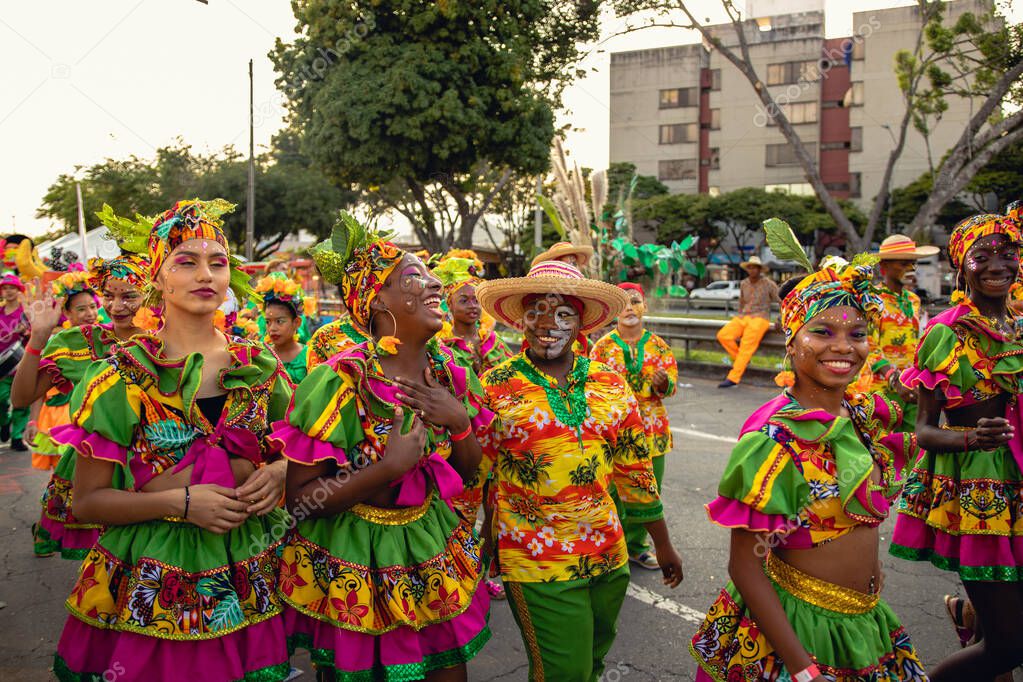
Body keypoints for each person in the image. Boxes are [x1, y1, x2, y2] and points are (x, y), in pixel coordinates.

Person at [50, 199, 293, 681]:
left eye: (217, 263)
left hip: (249, 562)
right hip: (154, 571)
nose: (206, 275)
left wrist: (280, 472)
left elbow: (293, 449)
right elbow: (89, 502)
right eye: (186, 262)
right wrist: (181, 504)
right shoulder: (121, 375)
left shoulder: (261, 366)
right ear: (157, 279)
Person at [690, 225, 926, 682]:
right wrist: (800, 668)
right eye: (823, 331)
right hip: (792, 625)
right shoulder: (774, 436)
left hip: (862, 619)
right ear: (792, 337)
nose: (842, 346)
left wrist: (871, 565)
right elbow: (744, 563)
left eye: (858, 333)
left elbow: (861, 508)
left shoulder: (861, 416)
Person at [271, 213, 492, 681]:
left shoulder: (450, 372)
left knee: (447, 671)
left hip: (428, 544)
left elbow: (471, 472)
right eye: (416, 278)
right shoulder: (341, 380)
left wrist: (458, 424)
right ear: (376, 302)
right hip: (356, 557)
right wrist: (385, 469)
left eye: (433, 277)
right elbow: (299, 501)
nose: (435, 284)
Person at [475, 260, 684, 682]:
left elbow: (635, 471)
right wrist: (476, 539)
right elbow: (477, 473)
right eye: (536, 312)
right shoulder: (495, 385)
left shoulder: (609, 383)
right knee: (561, 673)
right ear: (521, 321)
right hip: (534, 559)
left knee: (591, 664)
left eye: (563, 314)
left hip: (608, 554)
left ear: (582, 323)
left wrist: (662, 543)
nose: (548, 323)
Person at [891, 203, 1023, 681]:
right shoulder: (946, 332)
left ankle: (971, 618)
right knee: (1008, 647)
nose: (997, 264)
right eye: (981, 255)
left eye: (1007, 252)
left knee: (1006, 633)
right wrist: (970, 435)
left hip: (1022, 486)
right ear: (958, 264)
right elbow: (923, 430)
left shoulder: (1022, 326)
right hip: (981, 496)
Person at [17, 253, 151, 559]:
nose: (117, 308)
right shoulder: (83, 343)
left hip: (155, 468)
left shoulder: (172, 343)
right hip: (96, 471)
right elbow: (21, 398)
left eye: (129, 296)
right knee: (106, 563)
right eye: (109, 296)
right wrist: (37, 339)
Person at [591, 282, 678, 570]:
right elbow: (590, 388)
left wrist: (664, 384)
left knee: (648, 489)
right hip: (613, 433)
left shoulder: (659, 346)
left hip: (653, 432)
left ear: (645, 307)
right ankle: (611, 545)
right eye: (623, 302)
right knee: (612, 490)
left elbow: (671, 386)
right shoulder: (601, 348)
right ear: (614, 310)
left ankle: (637, 546)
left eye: (635, 301)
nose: (629, 307)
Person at [854, 235, 938, 433]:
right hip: (879, 389)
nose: (911, 269)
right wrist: (893, 377)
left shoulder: (914, 300)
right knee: (881, 449)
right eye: (904, 263)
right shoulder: (872, 300)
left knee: (911, 447)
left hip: (910, 388)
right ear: (884, 267)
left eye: (913, 263)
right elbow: (867, 344)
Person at [23, 270, 99, 472]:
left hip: (97, 419)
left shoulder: (106, 338)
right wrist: (33, 420)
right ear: (66, 313)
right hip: (61, 415)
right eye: (81, 309)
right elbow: (36, 390)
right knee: (65, 474)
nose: (90, 314)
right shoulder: (57, 345)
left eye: (93, 307)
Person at [716, 255, 779, 388]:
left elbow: (781, 301)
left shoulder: (769, 284)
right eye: (750, 267)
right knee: (723, 335)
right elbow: (742, 301)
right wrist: (739, 314)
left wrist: (781, 317)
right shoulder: (744, 283)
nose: (752, 270)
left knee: (746, 345)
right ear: (747, 269)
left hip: (760, 318)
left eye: (755, 268)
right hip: (744, 316)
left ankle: (733, 378)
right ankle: (743, 360)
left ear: (760, 269)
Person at [256, 272, 309, 385]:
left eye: (279, 321)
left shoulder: (310, 356)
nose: (272, 329)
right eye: (268, 322)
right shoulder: (262, 356)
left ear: (296, 322)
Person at [0, 273, 30, 450]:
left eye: (12, 288)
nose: (9, 291)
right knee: (1, 400)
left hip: (21, 362)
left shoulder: (25, 312)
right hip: (2, 366)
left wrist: (26, 332)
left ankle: (17, 436)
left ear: (19, 290)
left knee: (22, 401)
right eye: (5, 288)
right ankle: (5, 421)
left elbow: (37, 333)